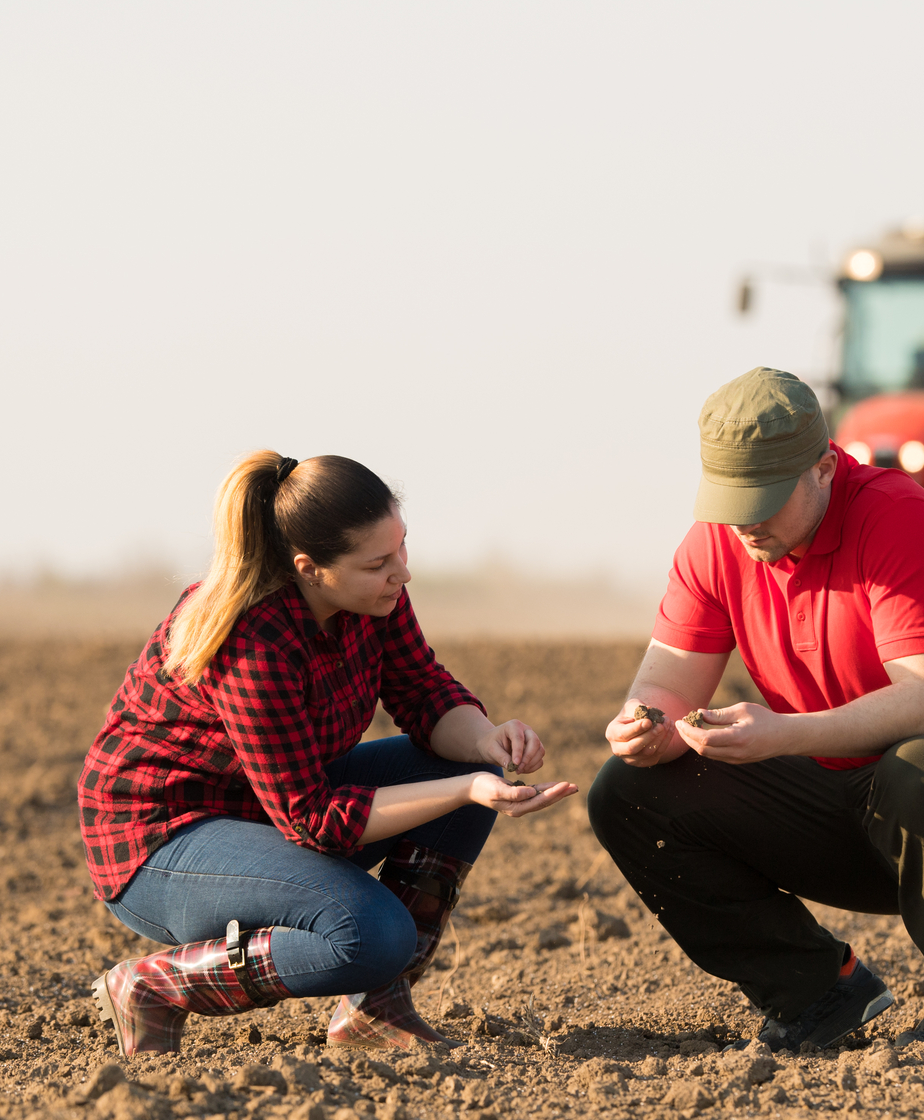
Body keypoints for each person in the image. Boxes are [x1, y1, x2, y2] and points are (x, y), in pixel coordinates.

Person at [586, 368, 924, 1049]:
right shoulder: (715, 542)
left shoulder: (900, 517)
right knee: (626, 791)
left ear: (823, 469)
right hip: (854, 807)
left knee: (921, 765)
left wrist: (782, 734)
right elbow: (665, 685)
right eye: (729, 498)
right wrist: (643, 725)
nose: (745, 520)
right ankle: (818, 992)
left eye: (764, 497)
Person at [78, 452, 577, 1057]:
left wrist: (486, 741)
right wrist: (464, 791)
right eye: (378, 563)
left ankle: (377, 1011)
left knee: (470, 767)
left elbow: (422, 692)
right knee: (369, 935)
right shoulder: (253, 638)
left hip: (266, 806)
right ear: (309, 569)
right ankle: (155, 986)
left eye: (401, 550)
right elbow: (313, 820)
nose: (402, 573)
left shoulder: (372, 599)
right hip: (162, 842)